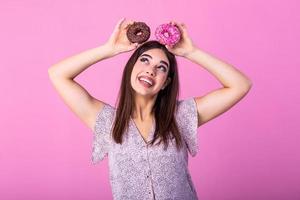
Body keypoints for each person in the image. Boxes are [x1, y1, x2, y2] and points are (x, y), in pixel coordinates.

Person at [48, 18, 252, 200]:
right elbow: (57, 74)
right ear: (131, 68)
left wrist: (191, 52)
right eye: (144, 60)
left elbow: (240, 85)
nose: (150, 70)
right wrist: (110, 50)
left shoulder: (180, 116)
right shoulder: (106, 121)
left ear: (165, 82)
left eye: (161, 67)